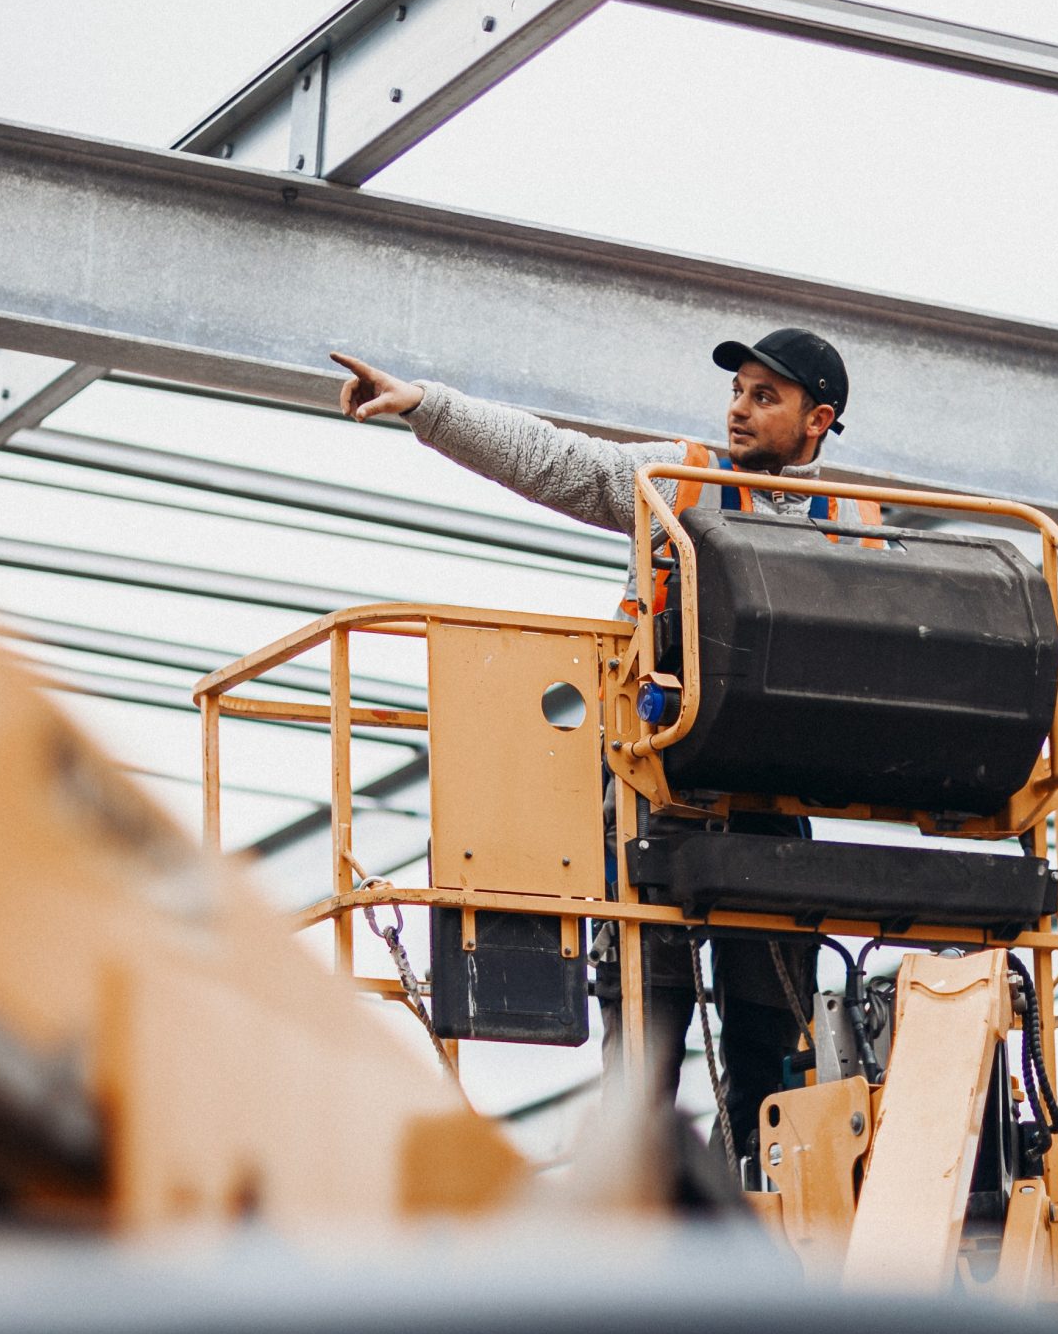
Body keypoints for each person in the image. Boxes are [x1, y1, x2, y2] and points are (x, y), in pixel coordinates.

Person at [331, 329, 871, 1172]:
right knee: (644, 1053)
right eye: (738, 391)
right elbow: (559, 461)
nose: (738, 408)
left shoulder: (859, 528)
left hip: (772, 810)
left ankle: (756, 1210)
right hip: (655, 800)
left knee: (771, 1055)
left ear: (818, 420)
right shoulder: (677, 480)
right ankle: (639, 1204)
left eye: (765, 396)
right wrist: (426, 407)